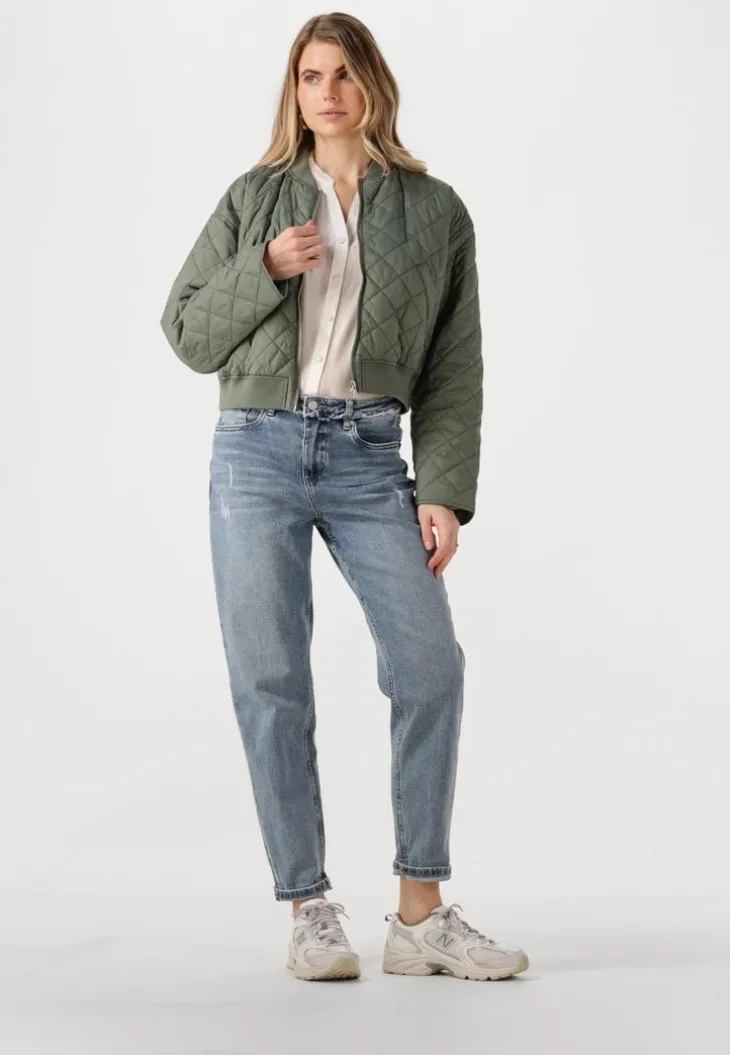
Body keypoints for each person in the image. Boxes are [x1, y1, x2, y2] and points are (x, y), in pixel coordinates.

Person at [160, 12, 529, 983]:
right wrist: (264, 270)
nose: (327, 92)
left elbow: (454, 364)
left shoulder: (435, 211)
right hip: (255, 450)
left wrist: (442, 491)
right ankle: (309, 907)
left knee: (431, 665)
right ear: (295, 91)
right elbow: (186, 330)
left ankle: (419, 914)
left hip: (370, 455)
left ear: (374, 85)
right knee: (271, 678)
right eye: (310, 76)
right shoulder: (256, 197)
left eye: (343, 73)